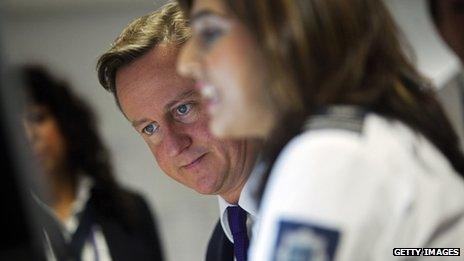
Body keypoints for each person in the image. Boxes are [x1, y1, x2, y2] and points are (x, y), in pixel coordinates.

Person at [177, 0, 464, 260]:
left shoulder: (329, 156)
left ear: (289, 31)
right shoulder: (370, 138)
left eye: (210, 32)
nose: (187, 62)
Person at [96, 2, 260, 261]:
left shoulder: (310, 197)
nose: (174, 146)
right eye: (150, 128)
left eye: (183, 109)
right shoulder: (220, 247)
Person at [21, 65, 164, 261]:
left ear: (65, 121)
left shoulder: (131, 211)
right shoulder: (10, 230)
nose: (29, 136)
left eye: (37, 118)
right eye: (15, 128)